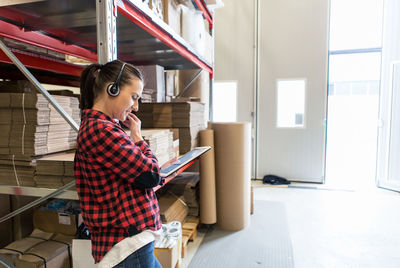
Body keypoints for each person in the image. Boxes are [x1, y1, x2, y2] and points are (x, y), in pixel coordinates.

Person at [74, 60, 163, 268]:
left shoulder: (103, 127)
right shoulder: (102, 131)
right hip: (126, 244)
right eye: (133, 97)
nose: (136, 106)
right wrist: (138, 137)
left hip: (130, 241)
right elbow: (152, 175)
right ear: (112, 89)